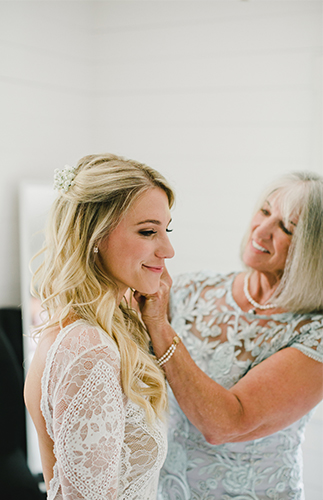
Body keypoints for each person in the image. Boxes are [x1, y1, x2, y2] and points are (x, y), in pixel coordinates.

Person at [134, 171, 323, 500]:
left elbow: (225, 424)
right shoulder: (195, 288)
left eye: (286, 228)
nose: (261, 231)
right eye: (265, 212)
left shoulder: (314, 334)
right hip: (165, 489)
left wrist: (160, 327)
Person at [24, 153, 175, 500]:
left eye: (166, 230)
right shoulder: (87, 348)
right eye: (148, 231)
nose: (167, 249)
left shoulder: (81, 332)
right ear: (95, 236)